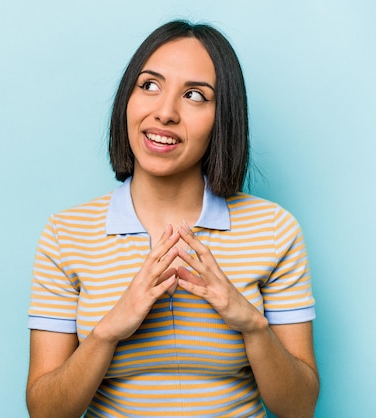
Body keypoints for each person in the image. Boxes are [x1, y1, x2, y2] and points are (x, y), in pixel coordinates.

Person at [26, 20, 319, 417]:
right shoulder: (66, 234)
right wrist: (109, 330)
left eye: (195, 95)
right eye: (149, 85)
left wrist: (251, 323)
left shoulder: (274, 230)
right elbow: (45, 411)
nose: (165, 112)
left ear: (223, 117)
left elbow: (299, 408)